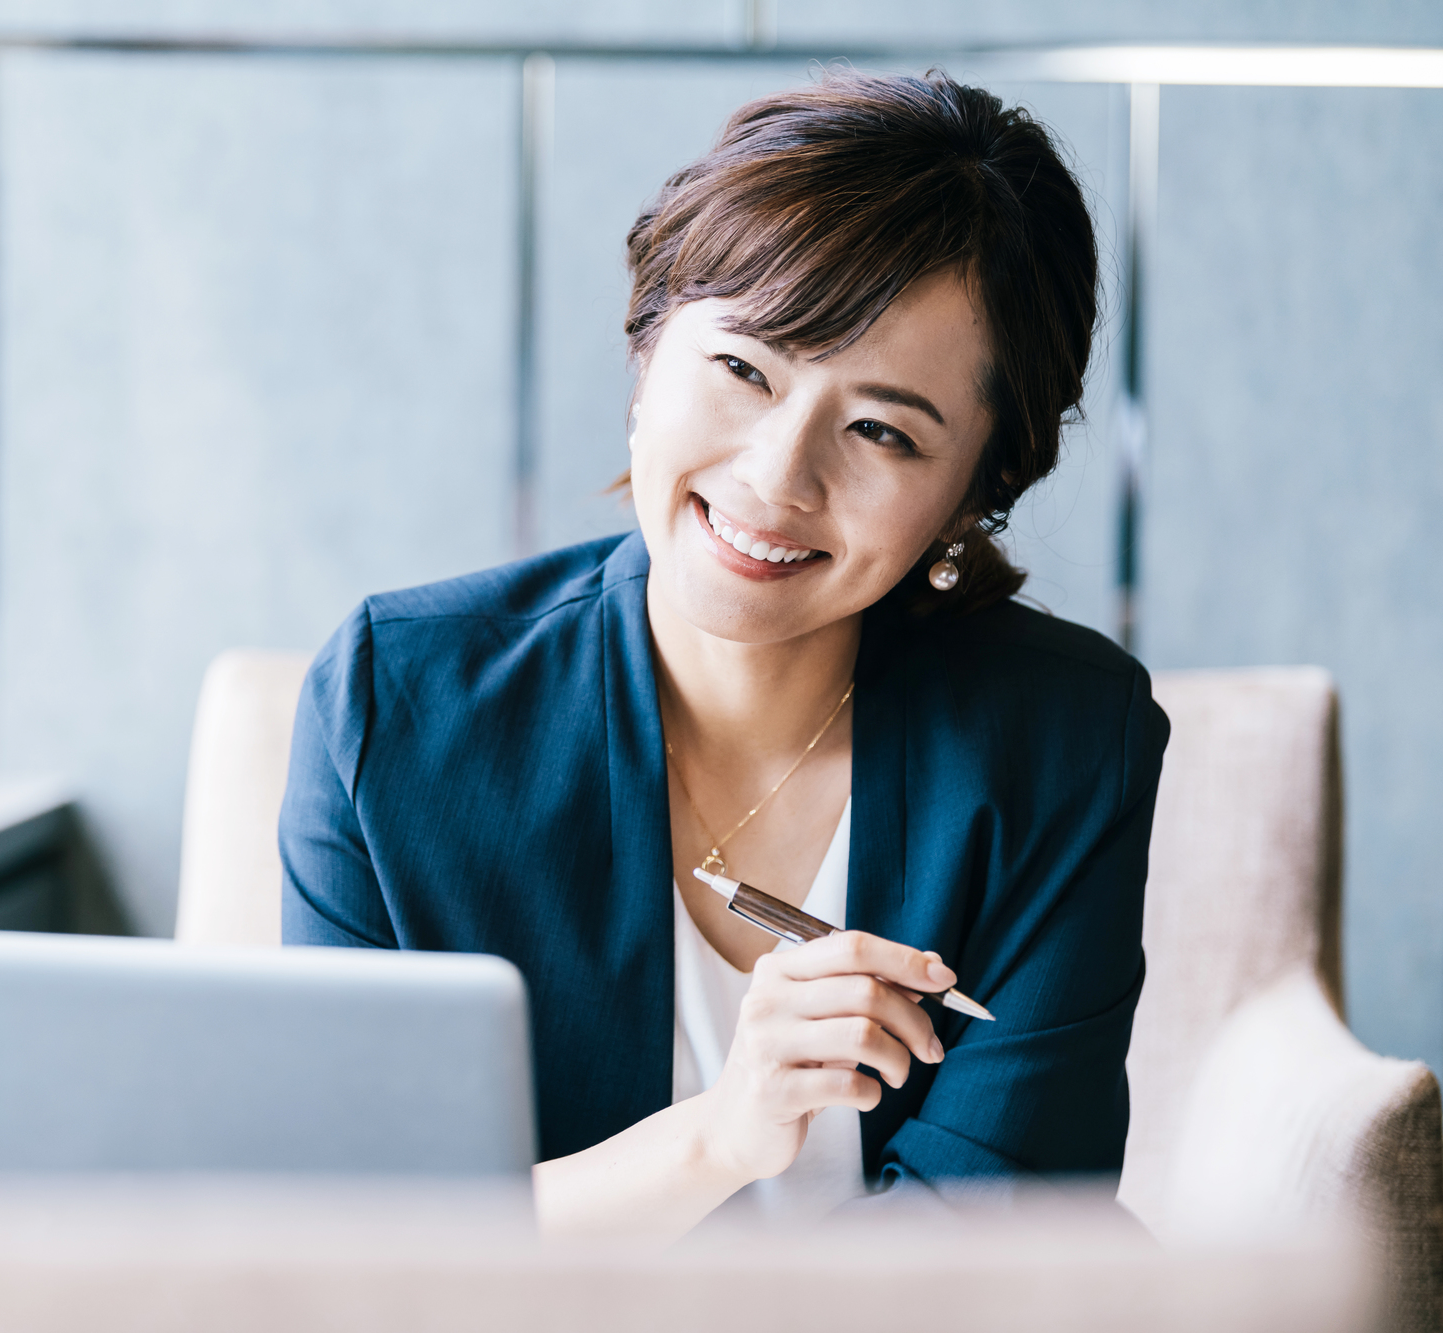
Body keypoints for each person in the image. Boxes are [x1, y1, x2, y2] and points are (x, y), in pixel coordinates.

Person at [279, 69, 1169, 1239]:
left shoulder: (1063, 740)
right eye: (743, 368)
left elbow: (999, 1245)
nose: (775, 478)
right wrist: (715, 1137)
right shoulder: (395, 701)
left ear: (975, 491)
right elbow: (341, 1242)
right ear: (646, 354)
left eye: (881, 430)